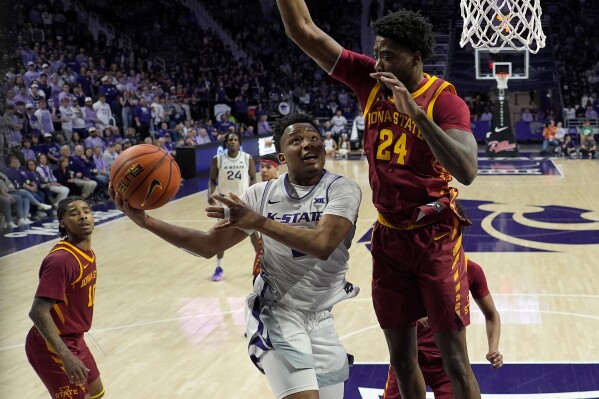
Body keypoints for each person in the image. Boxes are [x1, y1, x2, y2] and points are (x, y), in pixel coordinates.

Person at [276, 3, 480, 399]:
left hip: (435, 238)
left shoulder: (444, 100)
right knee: (402, 361)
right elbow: (303, 30)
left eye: (389, 55)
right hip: (389, 238)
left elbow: (467, 170)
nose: (379, 61)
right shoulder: (370, 81)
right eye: (378, 51)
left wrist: (419, 117)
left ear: (416, 57)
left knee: (454, 360)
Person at [110, 112, 362, 399]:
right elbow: (208, 246)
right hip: (276, 311)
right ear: (281, 156)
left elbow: (323, 244)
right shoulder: (259, 195)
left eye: (314, 138)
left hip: (321, 318)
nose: (308, 144)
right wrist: (146, 222)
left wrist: (257, 222)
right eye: (296, 140)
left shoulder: (342, 188)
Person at [383, 258, 503, 399]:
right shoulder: (410, 268)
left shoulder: (470, 269)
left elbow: (492, 315)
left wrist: (493, 348)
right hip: (410, 360)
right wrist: (413, 315)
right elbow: (387, 308)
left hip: (447, 362)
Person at [25, 197, 105, 399]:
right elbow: (38, 311)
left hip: (75, 338)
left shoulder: (86, 252)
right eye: (74, 213)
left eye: (86, 211)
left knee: (97, 393)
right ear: (63, 223)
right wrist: (66, 357)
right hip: (52, 346)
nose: (83, 216)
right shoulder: (62, 260)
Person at [206, 132, 256, 281]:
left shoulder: (248, 158)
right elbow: (212, 180)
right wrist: (210, 194)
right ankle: (219, 267)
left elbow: (253, 177)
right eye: (230, 140)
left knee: (254, 233)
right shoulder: (218, 159)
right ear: (226, 143)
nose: (233, 142)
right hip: (224, 201)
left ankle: (261, 265)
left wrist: (253, 195)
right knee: (221, 234)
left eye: (235, 140)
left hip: (243, 201)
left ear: (239, 143)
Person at [252, 153, 280, 281]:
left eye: (268, 167)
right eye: (262, 167)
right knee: (258, 278)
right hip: (265, 244)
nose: (263, 170)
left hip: (284, 246)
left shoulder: (284, 188)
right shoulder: (257, 190)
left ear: (276, 169)